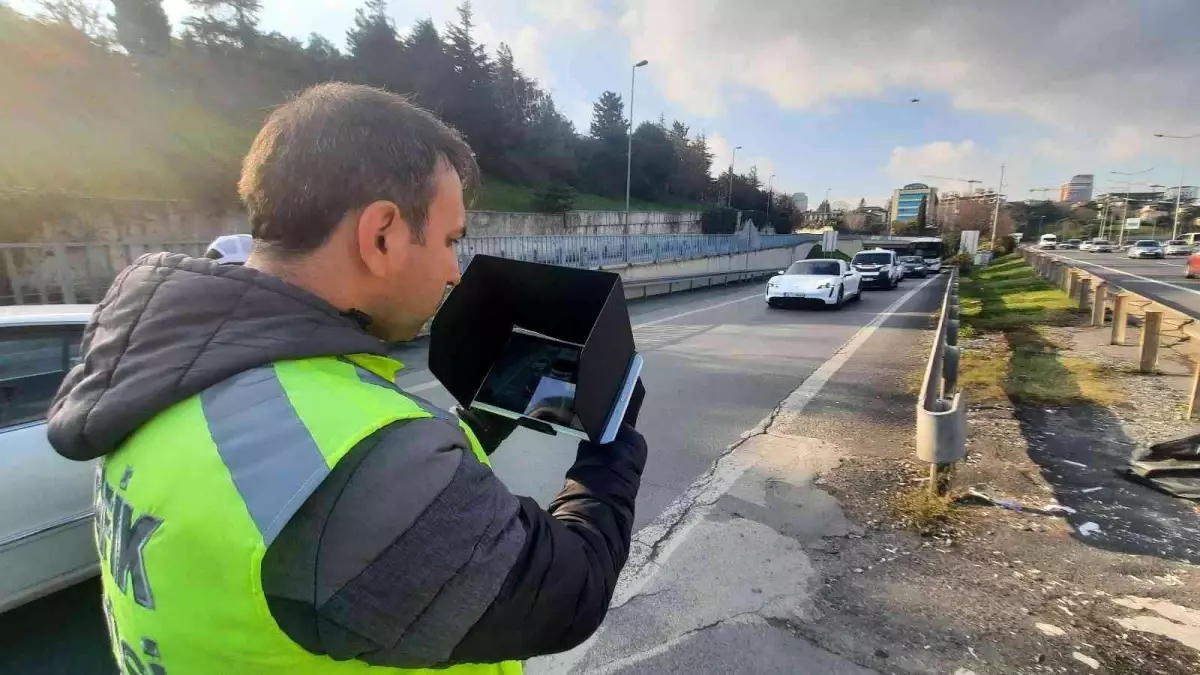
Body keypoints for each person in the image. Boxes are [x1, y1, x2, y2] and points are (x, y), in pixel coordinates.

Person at [47, 83, 648, 674]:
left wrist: (480, 423)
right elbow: (568, 594)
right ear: (381, 233)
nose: (451, 272)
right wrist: (613, 445)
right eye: (449, 240)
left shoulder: (171, 370)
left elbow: (302, 464)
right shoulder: (351, 466)